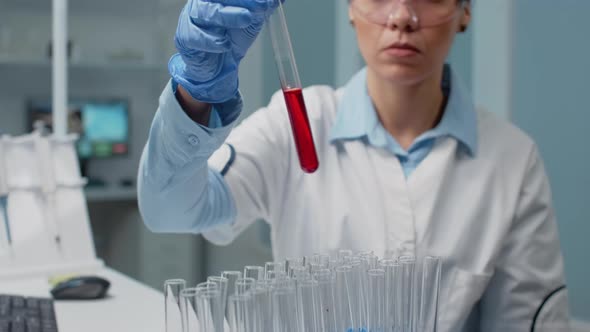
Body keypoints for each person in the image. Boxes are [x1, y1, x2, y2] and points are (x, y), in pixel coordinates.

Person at [138, 0, 570, 330]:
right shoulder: (292, 126)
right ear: (349, 8)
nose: (402, 17)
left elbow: (529, 322)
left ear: (464, 12)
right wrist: (196, 96)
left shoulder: (513, 159)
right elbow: (170, 209)